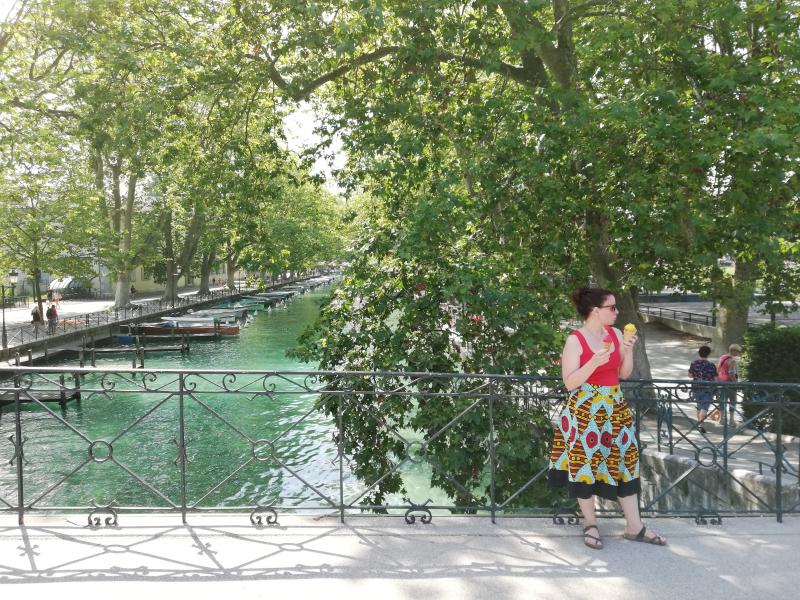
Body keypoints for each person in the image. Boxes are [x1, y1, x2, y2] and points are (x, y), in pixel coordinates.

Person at [548, 287, 666, 549]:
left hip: (615, 408)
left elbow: (623, 374)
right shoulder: (575, 340)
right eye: (611, 307)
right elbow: (569, 382)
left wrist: (628, 350)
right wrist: (593, 363)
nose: (617, 311)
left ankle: (634, 526)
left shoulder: (615, 334)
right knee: (585, 464)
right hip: (584, 411)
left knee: (625, 460)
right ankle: (590, 523)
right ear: (595, 311)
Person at [688, 346, 717, 433]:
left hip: (696, 387)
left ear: (699, 353)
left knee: (699, 406)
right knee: (704, 407)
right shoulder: (711, 365)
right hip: (708, 388)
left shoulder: (694, 363)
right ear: (708, 354)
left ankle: (701, 425)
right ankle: (701, 425)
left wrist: (697, 375)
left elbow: (690, 375)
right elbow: (715, 377)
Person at [717, 344, 742, 426]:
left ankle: (721, 419)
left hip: (721, 382)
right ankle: (731, 420)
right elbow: (731, 373)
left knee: (722, 400)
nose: (738, 353)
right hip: (730, 383)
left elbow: (718, 369)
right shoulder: (732, 361)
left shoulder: (722, 357)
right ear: (734, 351)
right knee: (732, 401)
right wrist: (736, 383)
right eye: (738, 351)